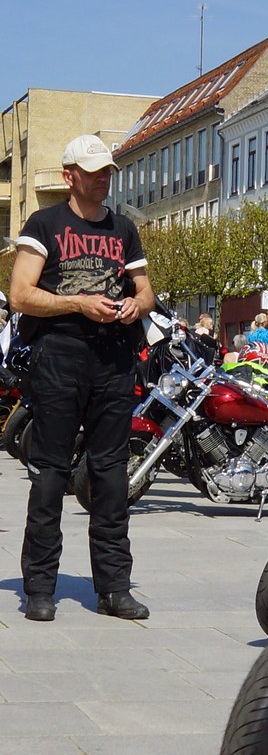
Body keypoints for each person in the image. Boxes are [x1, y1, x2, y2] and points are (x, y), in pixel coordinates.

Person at [9, 134, 155, 622]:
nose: (103, 178)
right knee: (50, 474)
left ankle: (113, 588)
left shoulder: (123, 228)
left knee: (111, 475)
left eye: (108, 170)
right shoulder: (44, 224)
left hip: (113, 359)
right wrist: (77, 303)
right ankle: (40, 588)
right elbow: (20, 296)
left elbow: (147, 291)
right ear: (69, 174)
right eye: (93, 171)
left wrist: (137, 304)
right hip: (59, 358)